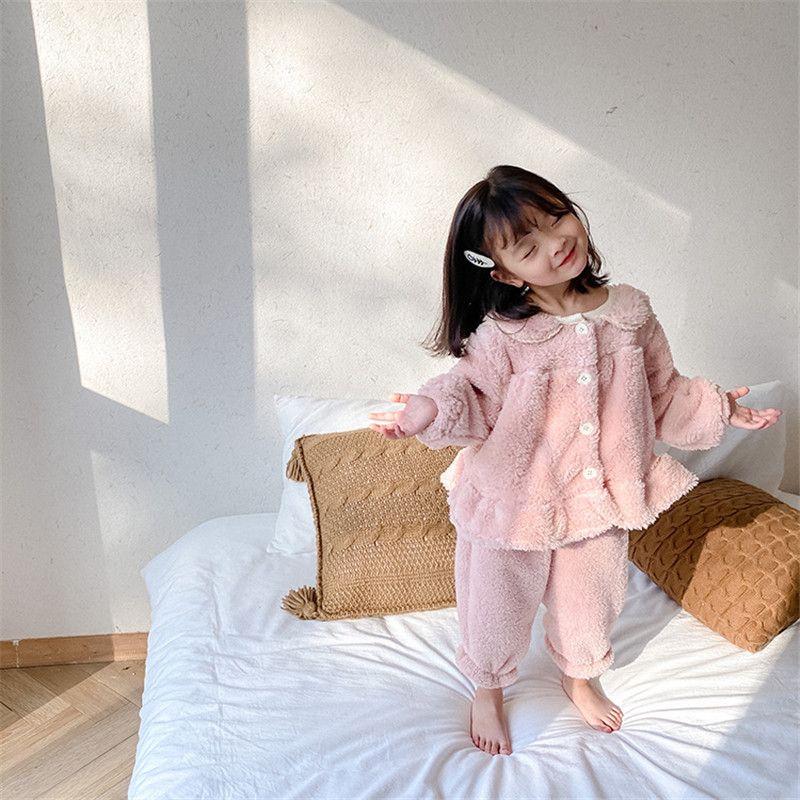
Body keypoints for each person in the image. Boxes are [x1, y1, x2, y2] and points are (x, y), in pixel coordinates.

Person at [367, 165, 783, 756]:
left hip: (596, 496)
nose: (555, 243)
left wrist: (720, 408)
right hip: (513, 501)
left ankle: (579, 677)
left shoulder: (631, 312)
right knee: (494, 605)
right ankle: (488, 687)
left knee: (591, 602)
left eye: (556, 218)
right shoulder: (502, 335)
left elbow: (662, 391)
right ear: (503, 271)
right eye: (526, 246)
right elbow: (471, 393)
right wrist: (427, 411)